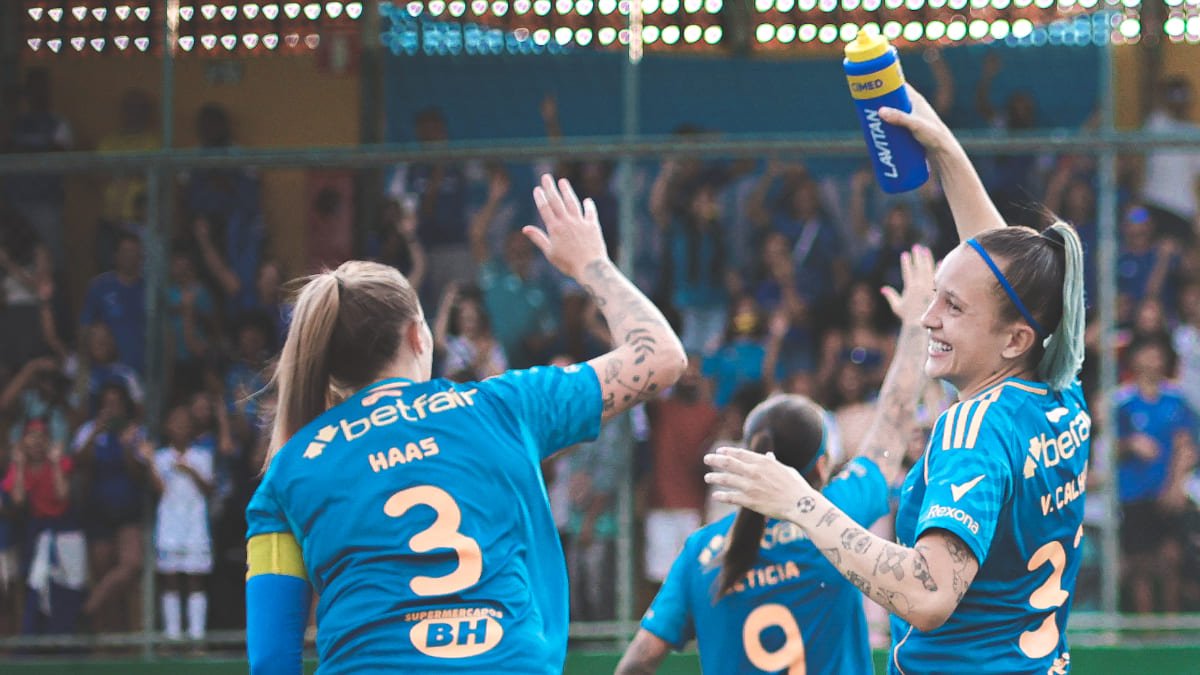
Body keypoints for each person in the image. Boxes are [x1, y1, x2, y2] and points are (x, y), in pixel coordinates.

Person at [704, 83, 1090, 674]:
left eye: (952, 307)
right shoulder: (1061, 392)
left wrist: (801, 502)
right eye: (935, 295)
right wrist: (941, 148)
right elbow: (1003, 274)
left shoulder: (974, 430)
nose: (928, 316)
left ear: (1015, 340)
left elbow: (929, 596)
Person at [244, 175, 685, 674]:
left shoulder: (288, 472)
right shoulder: (503, 405)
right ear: (417, 336)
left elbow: (271, 660)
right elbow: (662, 358)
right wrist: (592, 265)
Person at [616, 245, 932, 675]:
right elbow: (893, 423)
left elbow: (638, 662)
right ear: (821, 468)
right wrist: (915, 327)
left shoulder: (702, 552)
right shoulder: (840, 516)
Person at [142, 405, 214, 641]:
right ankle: (172, 637)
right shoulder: (161, 457)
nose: (180, 427)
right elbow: (158, 489)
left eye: (185, 422)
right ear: (167, 427)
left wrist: (189, 470)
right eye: (175, 422)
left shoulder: (202, 456)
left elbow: (209, 489)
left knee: (195, 578)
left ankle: (196, 637)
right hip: (170, 526)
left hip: (195, 527)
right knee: (170, 578)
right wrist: (150, 460)